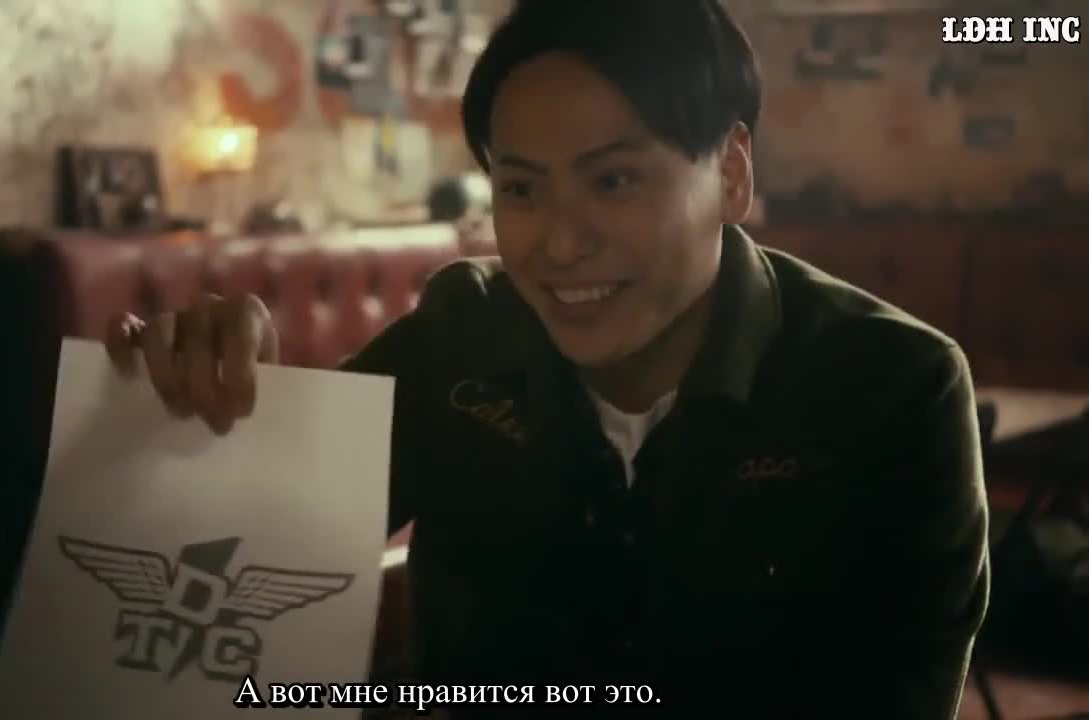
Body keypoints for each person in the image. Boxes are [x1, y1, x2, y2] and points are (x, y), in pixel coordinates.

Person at [105, 1, 989, 716]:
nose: (559, 244)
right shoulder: (462, 335)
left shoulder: (891, 387)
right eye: (521, 189)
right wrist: (209, 411)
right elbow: (247, 551)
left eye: (613, 180)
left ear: (730, 173)